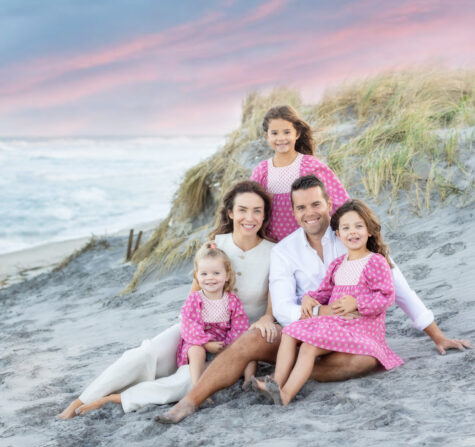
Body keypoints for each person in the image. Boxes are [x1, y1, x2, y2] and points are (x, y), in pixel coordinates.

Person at [158, 175, 471, 423]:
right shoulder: (285, 251)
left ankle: (280, 378)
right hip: (302, 330)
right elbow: (282, 308)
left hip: (352, 335)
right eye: (301, 207)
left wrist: (438, 336)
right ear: (293, 211)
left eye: (315, 204)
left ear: (328, 202)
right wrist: (325, 313)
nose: (309, 213)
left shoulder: (351, 235)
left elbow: (399, 290)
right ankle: (190, 401)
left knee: (366, 360)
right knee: (249, 341)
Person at [58, 181, 276, 419]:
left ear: (265, 216)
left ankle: (114, 399)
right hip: (196, 329)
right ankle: (80, 400)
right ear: (231, 212)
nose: (249, 217)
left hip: (235, 340)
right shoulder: (215, 245)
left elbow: (271, 308)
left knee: (184, 382)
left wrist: (265, 320)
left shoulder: (274, 252)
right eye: (242, 209)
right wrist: (199, 340)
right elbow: (193, 299)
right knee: (144, 355)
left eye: (257, 210)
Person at [252, 200, 403, 405]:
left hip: (361, 326)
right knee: (289, 333)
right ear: (338, 235)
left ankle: (285, 395)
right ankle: (277, 384)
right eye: (346, 228)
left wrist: (357, 303)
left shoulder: (375, 261)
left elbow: (386, 297)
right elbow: (324, 292)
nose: (353, 232)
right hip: (338, 322)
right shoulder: (338, 264)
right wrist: (308, 297)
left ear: (369, 230)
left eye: (359, 226)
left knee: (309, 345)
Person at [251, 104, 349, 241]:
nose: (281, 138)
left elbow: (340, 203)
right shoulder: (261, 171)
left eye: (286, 132)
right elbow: (249, 208)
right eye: (274, 133)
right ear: (267, 136)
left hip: (311, 243)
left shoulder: (311, 166)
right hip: (274, 245)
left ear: (296, 133)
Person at [177, 241, 251, 386]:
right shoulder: (195, 299)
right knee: (196, 351)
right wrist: (206, 343)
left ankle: (249, 382)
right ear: (197, 276)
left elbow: (239, 325)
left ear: (227, 275)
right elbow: (188, 324)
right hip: (199, 342)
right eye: (204, 274)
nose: (210, 278)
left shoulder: (232, 300)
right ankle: (197, 386)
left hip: (225, 343)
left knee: (249, 352)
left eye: (216, 273)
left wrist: (228, 345)